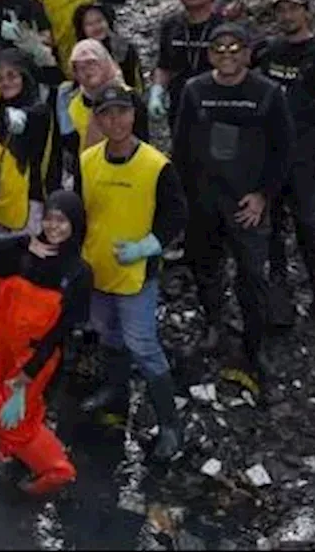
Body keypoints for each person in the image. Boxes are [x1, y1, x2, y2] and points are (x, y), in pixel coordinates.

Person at [172, 23, 294, 395]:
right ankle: (214, 326)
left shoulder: (268, 92)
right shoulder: (195, 91)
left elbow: (284, 151)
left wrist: (263, 195)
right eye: (218, 49)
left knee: (251, 275)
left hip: (247, 202)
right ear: (210, 55)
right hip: (205, 200)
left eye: (234, 48)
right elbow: (180, 148)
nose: (226, 55)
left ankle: (254, 347)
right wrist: (183, 200)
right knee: (206, 268)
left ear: (245, 53)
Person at [74, 87, 188, 463]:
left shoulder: (157, 165)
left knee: (144, 345)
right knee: (107, 333)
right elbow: (78, 212)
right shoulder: (88, 160)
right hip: (97, 267)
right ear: (99, 120)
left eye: (122, 112)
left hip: (137, 271)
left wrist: (148, 246)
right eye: (106, 114)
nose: (115, 121)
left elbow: (177, 216)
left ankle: (170, 424)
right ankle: (114, 390)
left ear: (133, 116)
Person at [0, 190, 91, 496]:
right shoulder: (23, 252)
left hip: (32, 354)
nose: (53, 227)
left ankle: (56, 471)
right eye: (49, 219)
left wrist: (29, 374)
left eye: (62, 221)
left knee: (14, 416)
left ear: (76, 224)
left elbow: (61, 331)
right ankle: (10, 449)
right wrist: (22, 240)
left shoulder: (79, 273)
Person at [261, 0, 315, 318]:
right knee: (272, 223)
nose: (287, 15)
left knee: (308, 222)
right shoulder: (268, 51)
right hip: (270, 153)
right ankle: (278, 284)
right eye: (280, 10)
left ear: (305, 10)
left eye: (292, 8)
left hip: (305, 155)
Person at [55, 40, 149, 191]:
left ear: (104, 62)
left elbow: (142, 140)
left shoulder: (129, 97)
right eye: (80, 68)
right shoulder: (73, 102)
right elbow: (70, 146)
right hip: (89, 177)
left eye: (92, 64)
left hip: (128, 176)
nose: (87, 72)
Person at [0, 50, 51, 233]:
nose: (6, 83)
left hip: (27, 204)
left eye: (12, 76)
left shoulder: (38, 110)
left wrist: (24, 115)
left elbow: (38, 115)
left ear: (24, 76)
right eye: (0, 78)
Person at [148, 0, 224, 128]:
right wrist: (157, 91)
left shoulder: (224, 27)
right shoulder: (170, 25)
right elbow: (164, 65)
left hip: (218, 109)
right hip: (181, 108)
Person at [73, 2, 142, 93]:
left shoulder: (123, 48)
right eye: (89, 24)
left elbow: (135, 83)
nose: (96, 27)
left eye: (99, 21)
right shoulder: (80, 55)